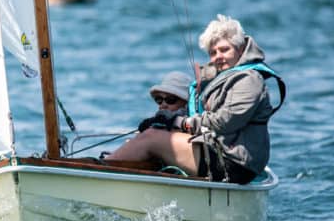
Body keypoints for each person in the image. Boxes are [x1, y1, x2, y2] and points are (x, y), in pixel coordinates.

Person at [105, 14, 284, 184]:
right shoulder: (227, 77)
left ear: (240, 49)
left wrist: (178, 122)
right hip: (220, 153)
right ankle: (110, 166)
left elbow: (224, 122)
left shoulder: (249, 79)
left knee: (151, 138)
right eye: (213, 52)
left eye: (224, 50)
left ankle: (102, 169)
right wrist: (166, 123)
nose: (218, 57)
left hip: (236, 164)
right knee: (152, 133)